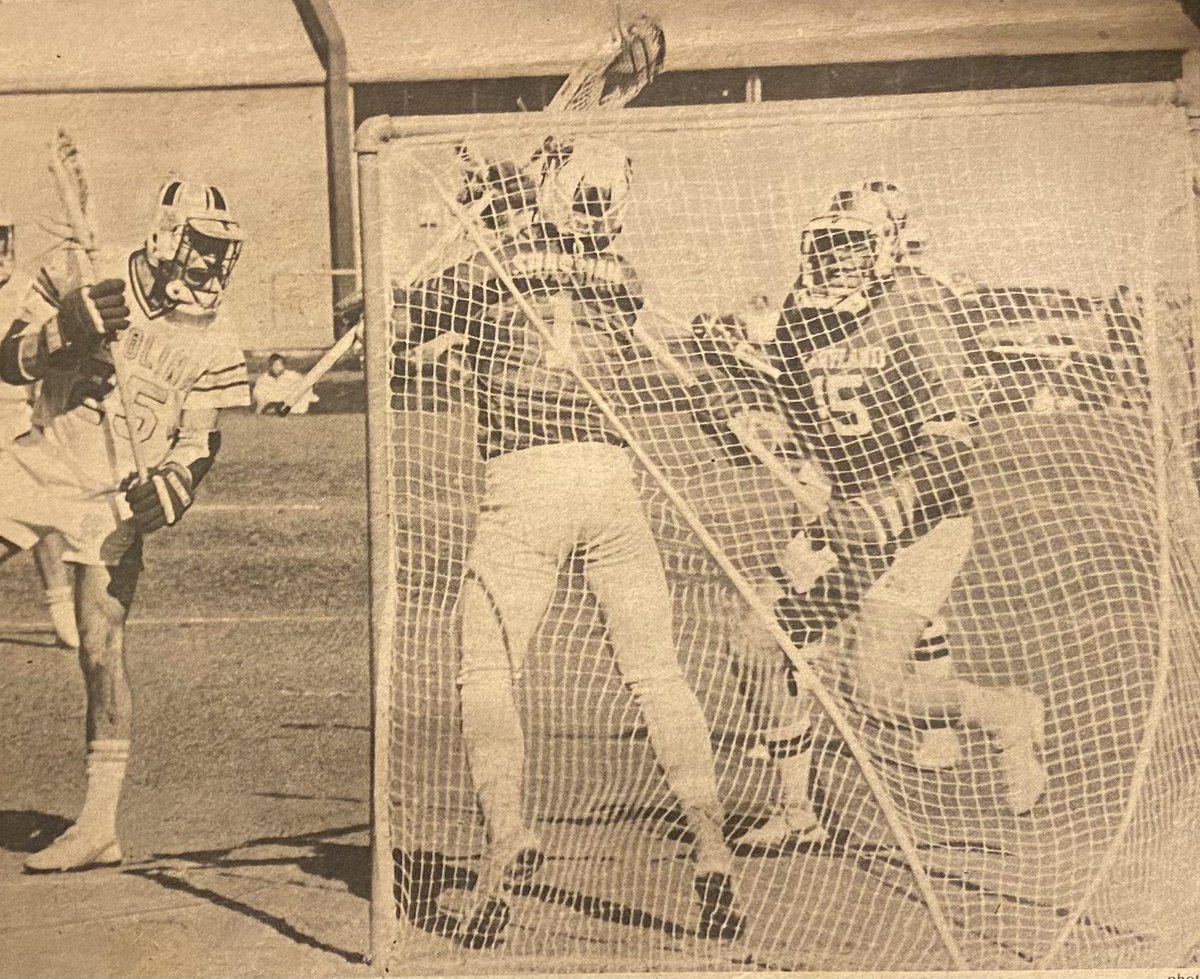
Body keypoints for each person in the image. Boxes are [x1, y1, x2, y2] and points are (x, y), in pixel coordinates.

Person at [400, 137, 743, 947]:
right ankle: (711, 845)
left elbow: (401, 316)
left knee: (485, 667)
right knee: (658, 673)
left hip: (525, 482)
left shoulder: (489, 263)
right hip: (612, 479)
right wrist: (502, 199)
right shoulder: (622, 277)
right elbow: (565, 268)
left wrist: (466, 219)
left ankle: (508, 829)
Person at [696, 184, 1047, 853]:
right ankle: (797, 810)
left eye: (853, 244)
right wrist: (740, 405)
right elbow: (799, 421)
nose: (836, 260)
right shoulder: (801, 314)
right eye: (827, 244)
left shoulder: (915, 310)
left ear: (884, 247)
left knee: (877, 693)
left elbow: (953, 441)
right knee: (754, 643)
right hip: (848, 516)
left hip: (923, 522)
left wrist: (883, 512)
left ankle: (1006, 712)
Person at [0, 179, 248, 872]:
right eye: (201, 249)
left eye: (222, 253)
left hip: (111, 495)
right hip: (39, 462)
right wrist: (64, 330)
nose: (211, 267)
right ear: (166, 235)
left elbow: (202, 438)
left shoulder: (217, 331)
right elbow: (5, 354)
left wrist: (174, 485)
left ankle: (98, 827)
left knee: (100, 646)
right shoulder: (86, 267)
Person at [0, 205, 78, 648]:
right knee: (33, 514)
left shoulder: (28, 291)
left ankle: (61, 607)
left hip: (20, 419)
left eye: (1, 238)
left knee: (44, 511)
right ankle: (62, 607)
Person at [253, 352, 318, 415]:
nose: (278, 368)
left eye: (280, 365)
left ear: (283, 365)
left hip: (288, 402)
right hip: (271, 402)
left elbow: (305, 384)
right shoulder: (263, 378)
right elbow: (257, 392)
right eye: (275, 365)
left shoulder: (293, 375)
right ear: (270, 366)